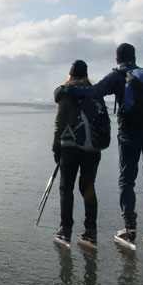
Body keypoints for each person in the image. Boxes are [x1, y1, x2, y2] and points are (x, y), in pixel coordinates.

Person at [55, 43, 143, 246]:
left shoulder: (117, 76)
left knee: (127, 181)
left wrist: (67, 90)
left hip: (129, 136)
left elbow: (95, 91)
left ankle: (130, 229)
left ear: (117, 60)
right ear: (134, 57)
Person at [52, 60, 101, 246]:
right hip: (92, 148)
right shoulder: (94, 91)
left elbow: (59, 121)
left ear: (70, 74)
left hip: (70, 147)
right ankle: (91, 230)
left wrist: (56, 146)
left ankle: (65, 230)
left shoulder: (67, 91)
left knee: (66, 187)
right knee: (88, 187)